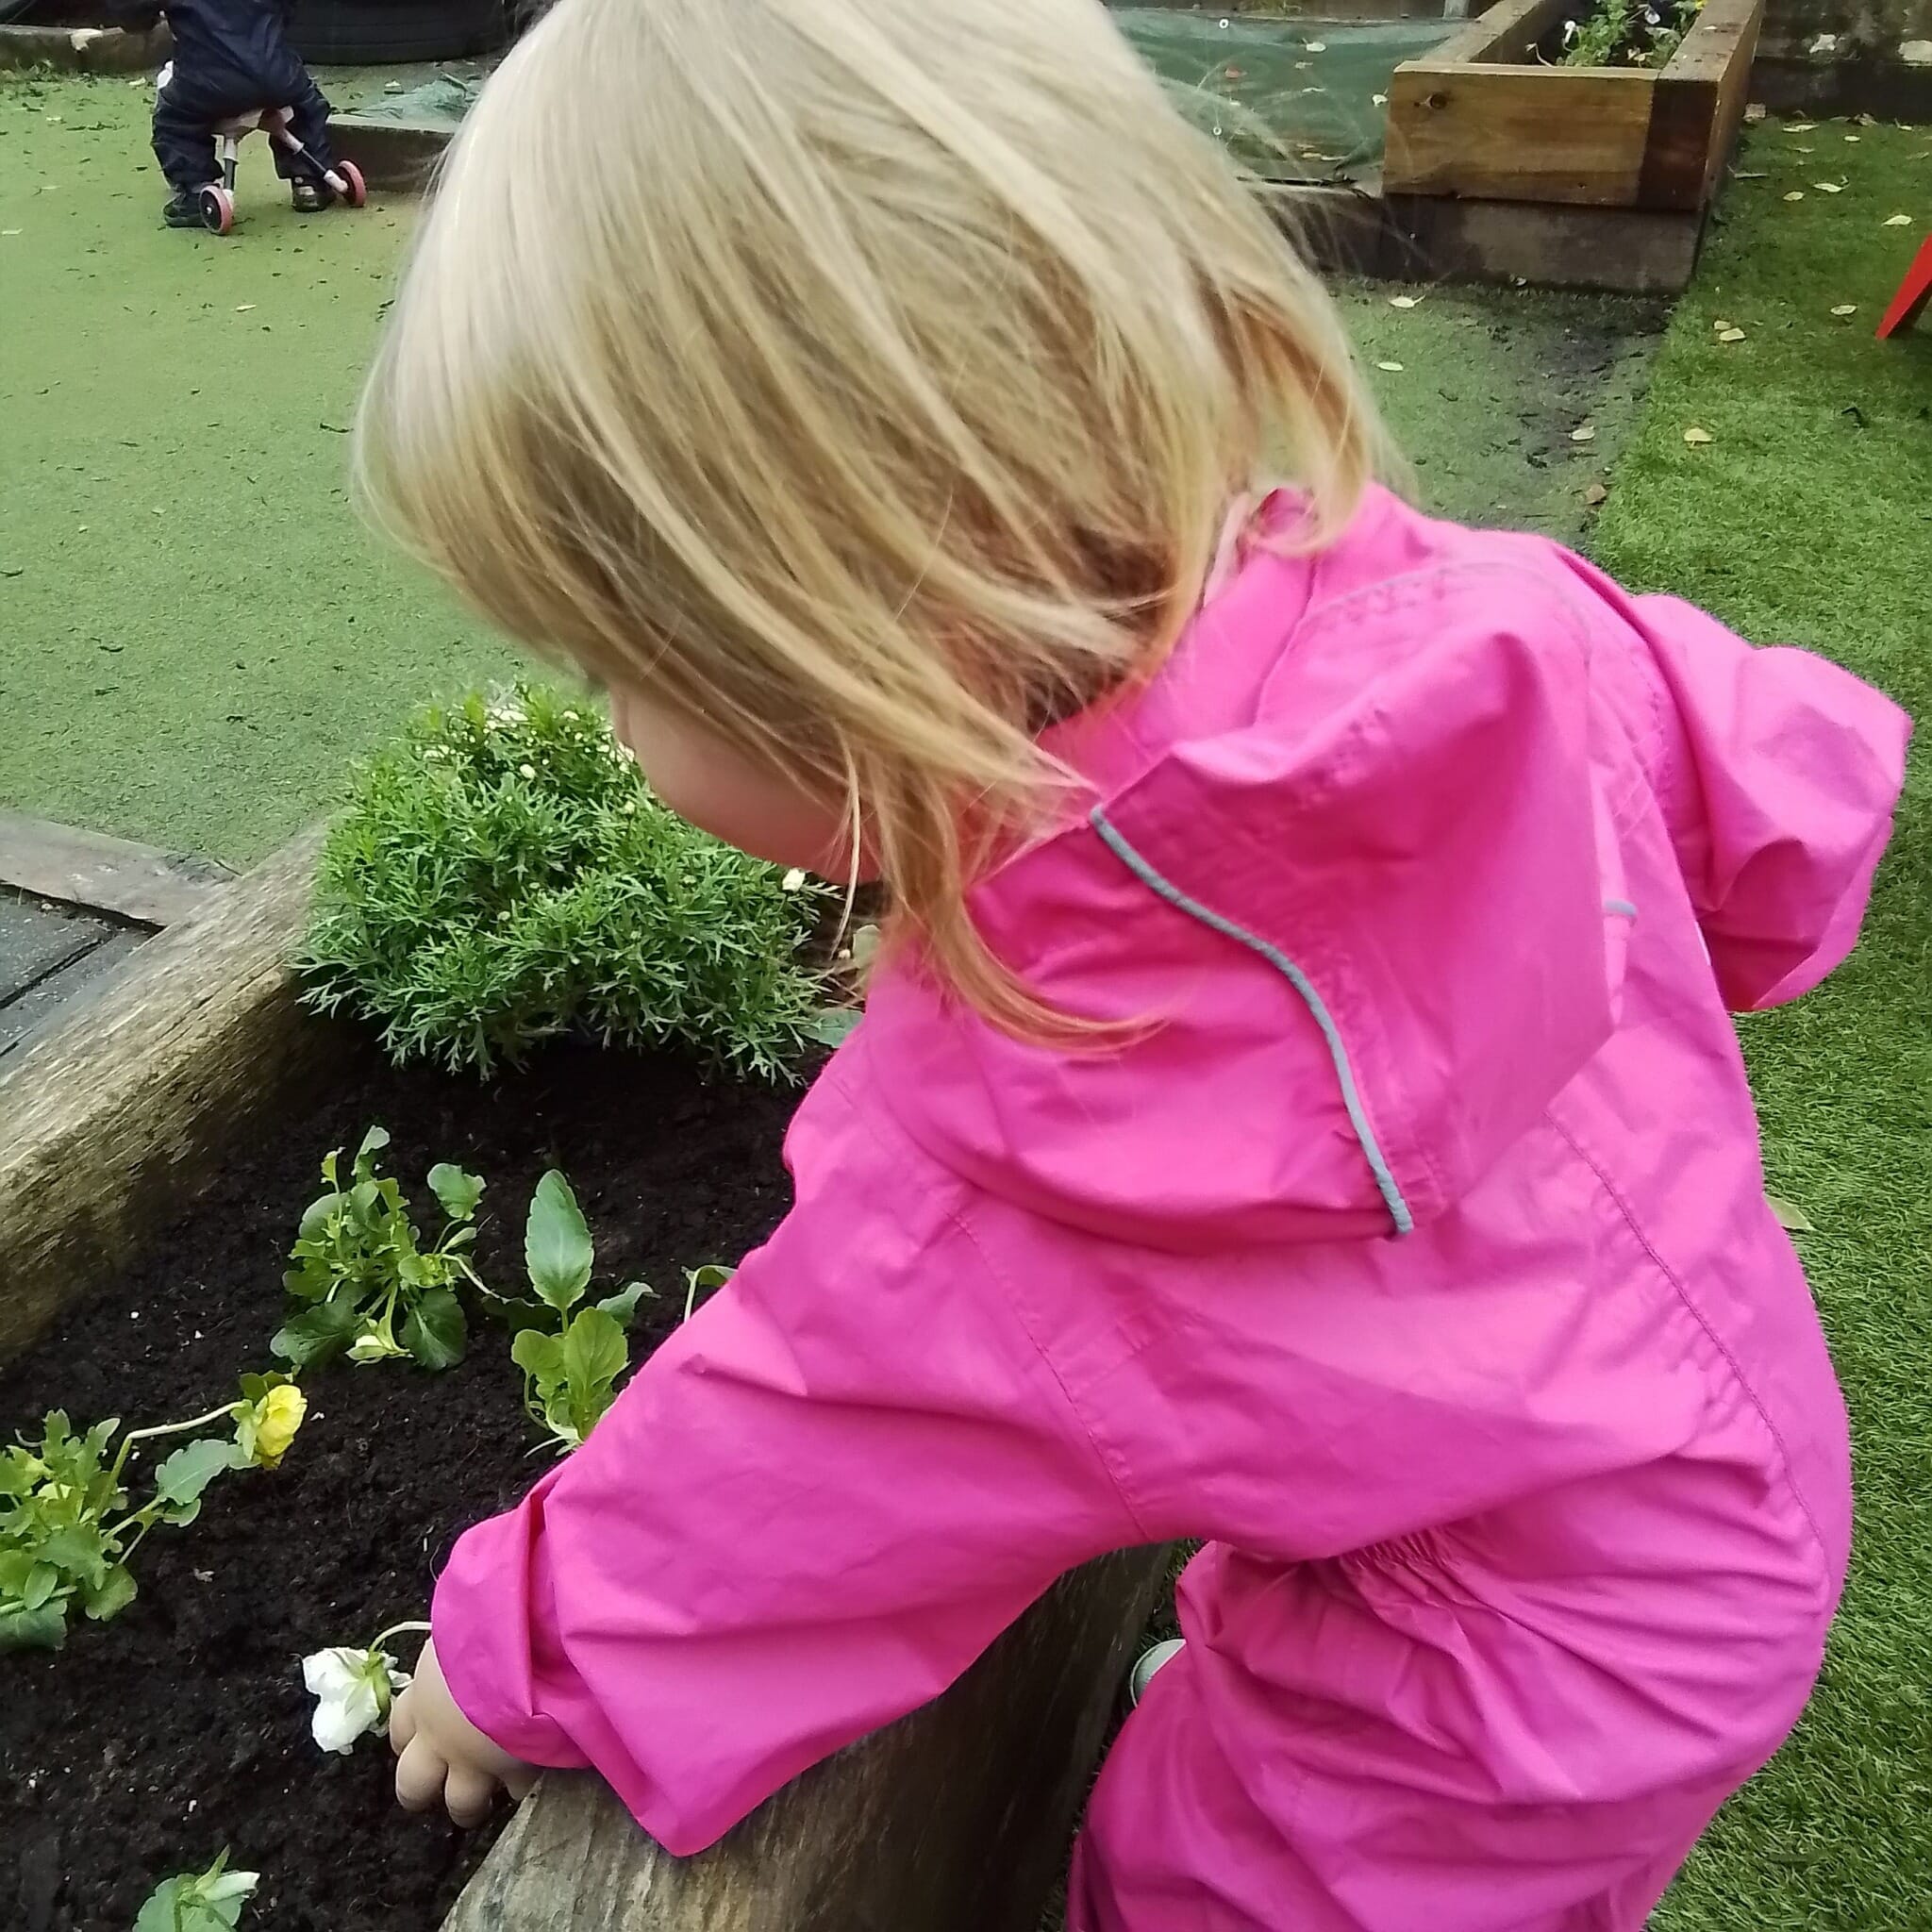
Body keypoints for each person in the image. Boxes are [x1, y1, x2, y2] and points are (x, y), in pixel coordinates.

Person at [354, 0, 1911, 1924]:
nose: (608, 726)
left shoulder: (1048, 1101)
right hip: (1703, 1446)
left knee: (1188, 1876)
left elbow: (807, 1462)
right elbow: (1755, 790)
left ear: (834, 629)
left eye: (615, 668)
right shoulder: (1445, 610)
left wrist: (513, 1658)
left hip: (1491, 1675)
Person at [112, 0, 341, 226]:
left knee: (175, 120)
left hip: (207, 82)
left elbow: (132, 16)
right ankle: (310, 180)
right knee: (305, 104)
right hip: (275, 74)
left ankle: (196, 189)